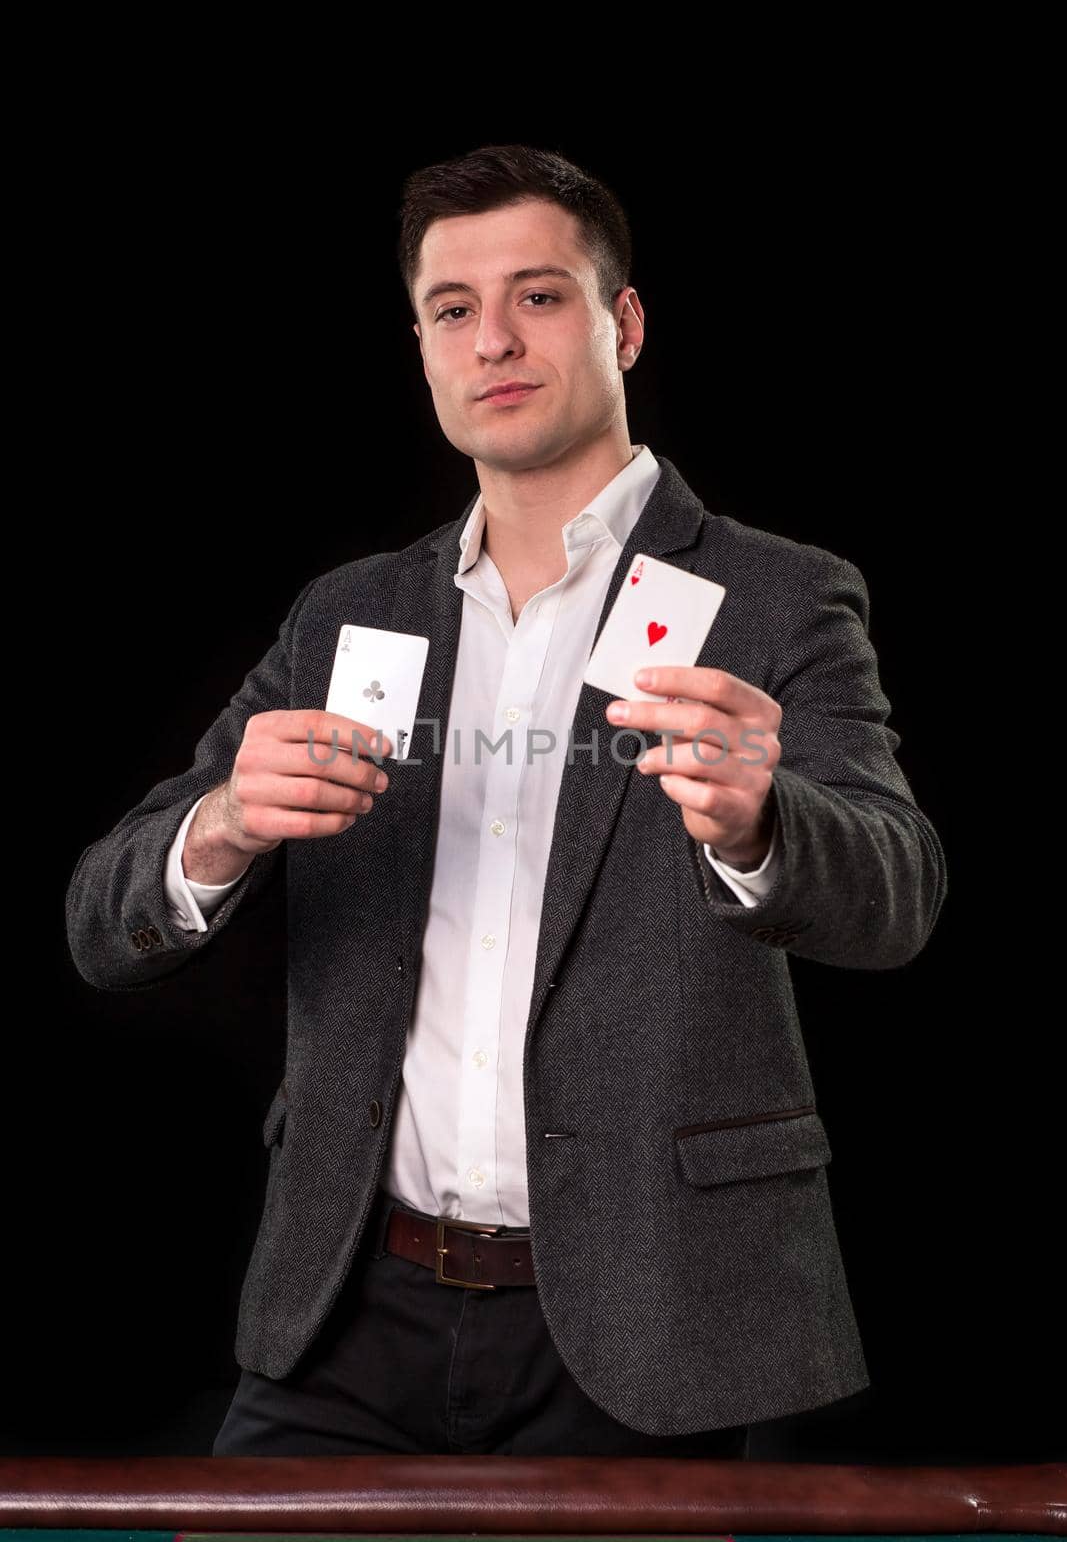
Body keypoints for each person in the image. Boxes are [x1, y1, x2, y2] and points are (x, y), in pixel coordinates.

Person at [66, 143, 947, 1457]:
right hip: (349, 1311)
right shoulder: (351, 612)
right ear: (421, 347)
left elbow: (898, 899)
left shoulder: (779, 597)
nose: (494, 340)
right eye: (453, 308)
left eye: (538, 296)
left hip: (651, 1314)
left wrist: (765, 828)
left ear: (623, 323)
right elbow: (103, 924)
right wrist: (223, 830)